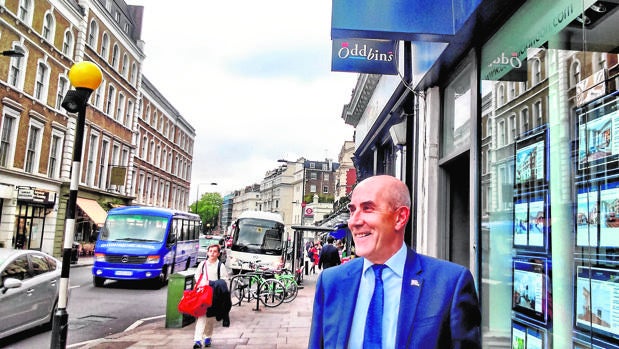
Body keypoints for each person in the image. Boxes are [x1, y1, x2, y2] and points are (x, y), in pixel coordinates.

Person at [308, 175, 481, 348]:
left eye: (368, 209)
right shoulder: (331, 282)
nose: (354, 221)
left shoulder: (450, 284)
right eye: (353, 211)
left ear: (400, 217)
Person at [193, 243, 229, 348]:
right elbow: (197, 275)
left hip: (214, 295)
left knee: (210, 318)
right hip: (203, 294)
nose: (212, 253)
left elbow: (224, 281)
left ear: (218, 254)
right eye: (210, 251)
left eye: (215, 251)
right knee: (201, 316)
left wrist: (211, 283)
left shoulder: (220, 266)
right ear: (207, 252)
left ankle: (208, 336)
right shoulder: (203, 264)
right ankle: (197, 340)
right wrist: (201, 284)